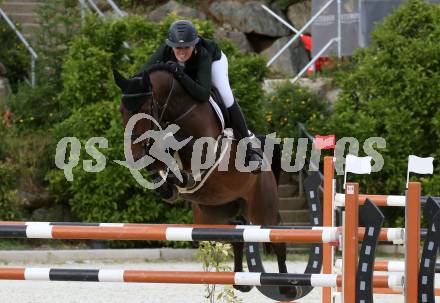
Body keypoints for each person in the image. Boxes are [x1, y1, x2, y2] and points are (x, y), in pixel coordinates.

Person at [137, 20, 263, 173]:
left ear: (194, 44)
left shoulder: (204, 53)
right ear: (171, 46)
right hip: (184, 71)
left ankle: (249, 146)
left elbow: (203, 94)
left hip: (214, 62)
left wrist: (180, 74)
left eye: (186, 47)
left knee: (225, 95)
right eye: (178, 48)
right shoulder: (165, 50)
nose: (182, 52)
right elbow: (142, 73)